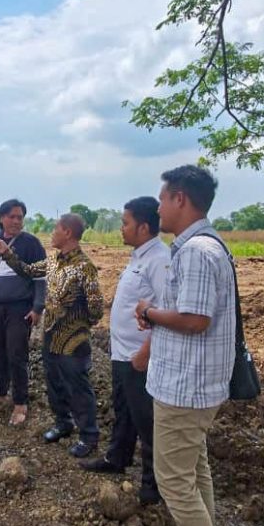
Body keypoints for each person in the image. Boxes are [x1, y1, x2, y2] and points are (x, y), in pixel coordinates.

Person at [136, 165, 234, 526]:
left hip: (185, 387)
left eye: (162, 199)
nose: (157, 208)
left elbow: (196, 319)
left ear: (179, 199)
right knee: (195, 472)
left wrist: (150, 312)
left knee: (175, 480)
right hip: (196, 385)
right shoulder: (209, 245)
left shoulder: (195, 251)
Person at [0, 213, 103, 456]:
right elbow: (28, 271)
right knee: (54, 383)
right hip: (50, 336)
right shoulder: (52, 261)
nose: (52, 233)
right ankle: (63, 423)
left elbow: (96, 309)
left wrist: (77, 324)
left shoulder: (84, 268)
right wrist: (6, 253)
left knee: (78, 387)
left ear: (68, 233)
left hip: (73, 341)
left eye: (55, 229)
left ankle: (88, 436)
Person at [80, 197, 169, 505]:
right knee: (124, 410)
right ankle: (117, 457)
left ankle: (153, 485)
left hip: (139, 357)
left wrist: (146, 351)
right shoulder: (139, 256)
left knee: (146, 419)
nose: (121, 228)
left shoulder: (159, 260)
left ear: (143, 227)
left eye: (125, 222)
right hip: (122, 353)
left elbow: (166, 310)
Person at [0, 199, 46, 426]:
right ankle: (0, 392)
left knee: (17, 354)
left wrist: (37, 307)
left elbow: (40, 278)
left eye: (20, 217)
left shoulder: (31, 244)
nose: (16, 221)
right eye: (12, 216)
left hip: (20, 308)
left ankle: (20, 402)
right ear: (1, 218)